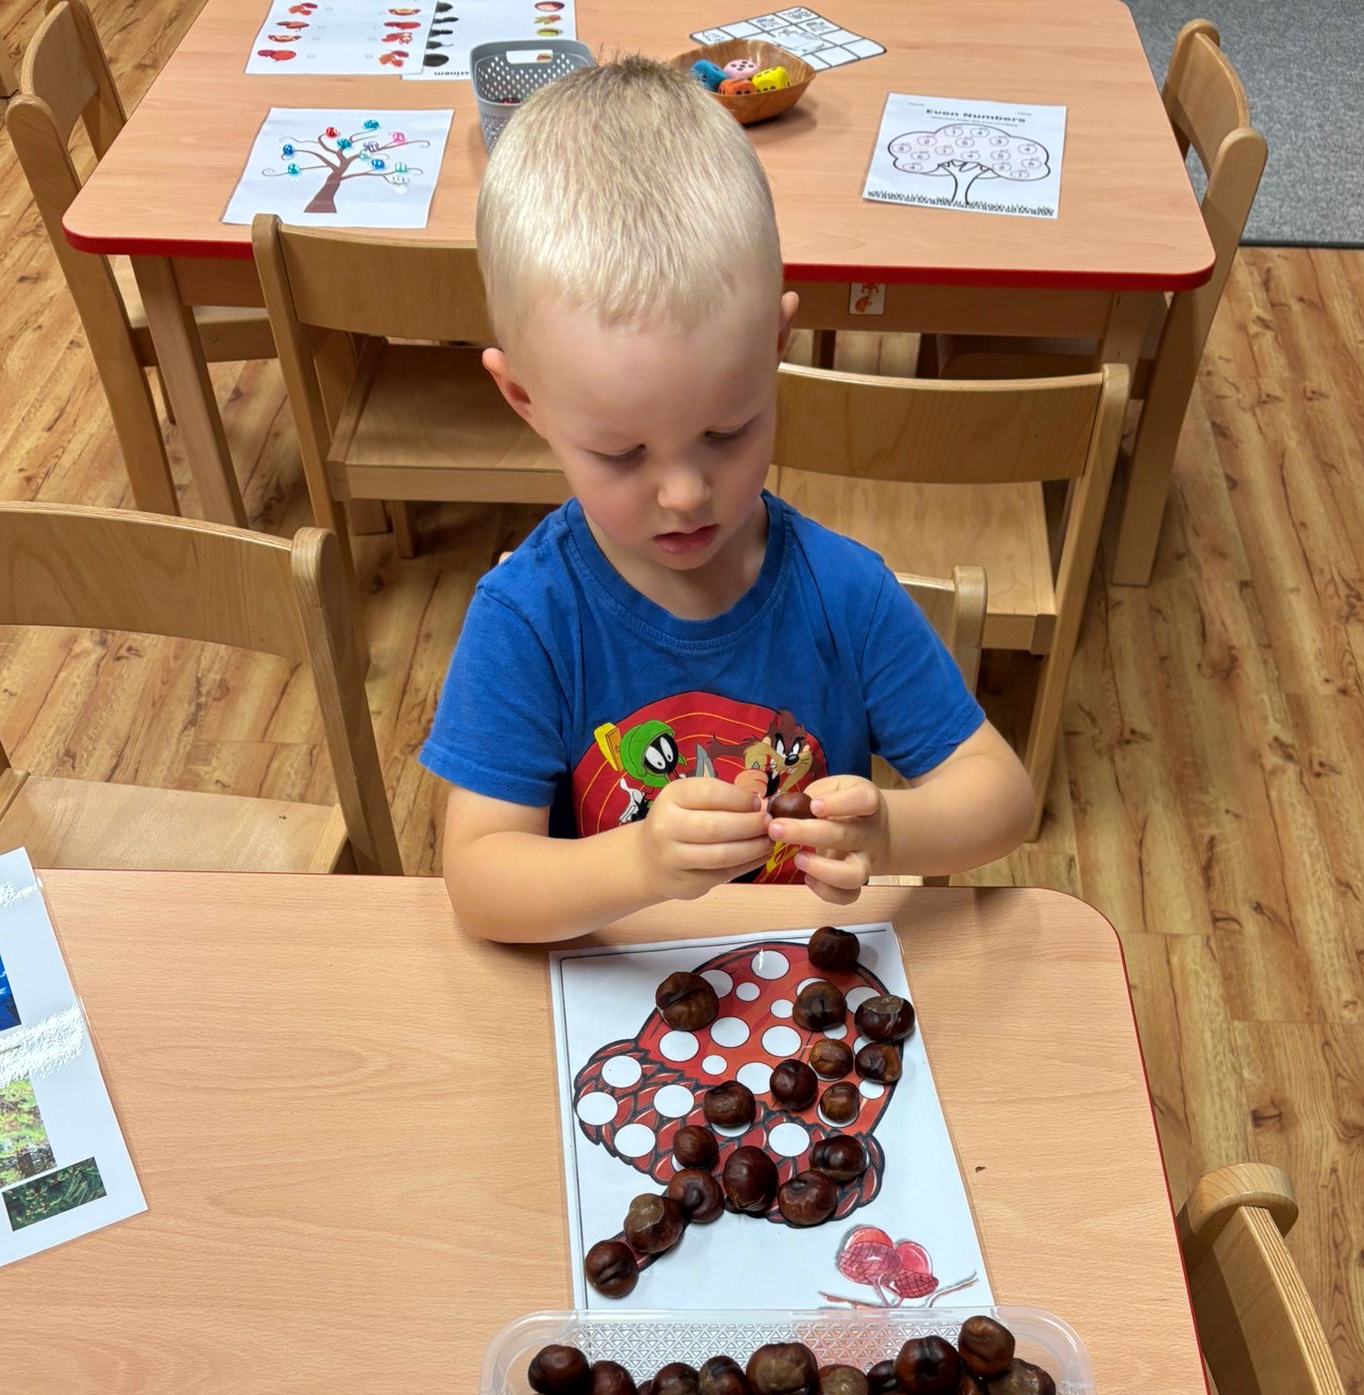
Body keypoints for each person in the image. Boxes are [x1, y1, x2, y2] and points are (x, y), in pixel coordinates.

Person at [422, 55, 1034, 943]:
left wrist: (891, 831)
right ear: (524, 399)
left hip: (803, 985)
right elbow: (481, 881)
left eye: (728, 429)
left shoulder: (844, 593)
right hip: (617, 992)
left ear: (777, 345)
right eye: (620, 452)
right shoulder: (530, 618)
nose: (684, 494)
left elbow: (1001, 795)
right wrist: (638, 864)